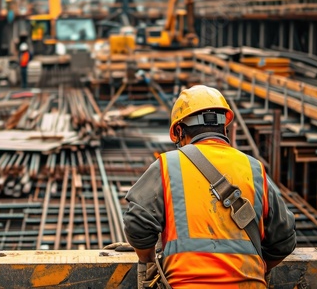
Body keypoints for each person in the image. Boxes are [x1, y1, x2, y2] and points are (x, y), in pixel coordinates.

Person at [123, 85, 296, 288]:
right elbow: (284, 238)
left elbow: (137, 223)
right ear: (224, 128)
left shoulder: (168, 165)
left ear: (179, 130)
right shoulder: (254, 168)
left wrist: (149, 259)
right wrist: (255, 270)